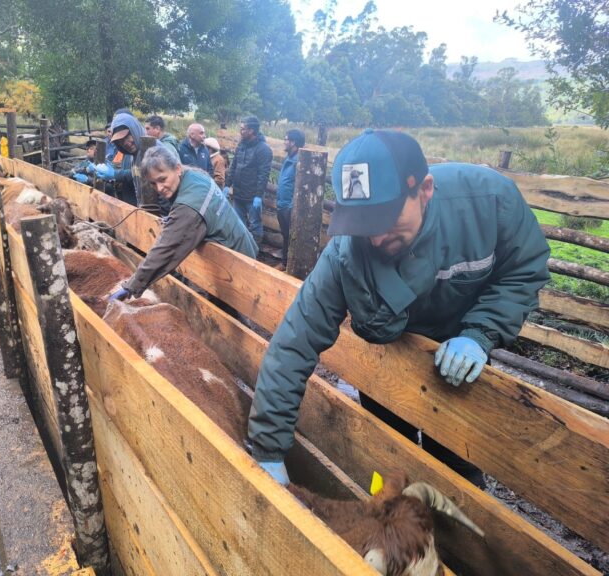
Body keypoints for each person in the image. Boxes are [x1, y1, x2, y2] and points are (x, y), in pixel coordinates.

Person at [247, 129, 551, 487]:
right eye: (364, 224)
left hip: (458, 359)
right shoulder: (346, 254)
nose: (376, 238)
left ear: (424, 190)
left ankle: (461, 535)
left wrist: (481, 331)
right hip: (388, 359)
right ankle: (387, 522)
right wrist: (268, 449)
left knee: (455, 462)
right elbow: (294, 342)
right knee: (386, 452)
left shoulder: (489, 203)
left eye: (386, 219)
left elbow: (524, 269)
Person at [108, 146, 257, 301]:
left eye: (162, 179)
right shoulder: (194, 175)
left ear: (177, 169)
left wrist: (131, 286)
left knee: (231, 310)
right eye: (153, 183)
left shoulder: (188, 207)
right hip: (238, 244)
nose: (159, 188)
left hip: (236, 264)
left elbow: (165, 250)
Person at [225, 115, 273, 246]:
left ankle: (255, 249)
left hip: (252, 196)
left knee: (255, 224)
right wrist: (227, 185)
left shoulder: (263, 149)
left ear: (251, 131)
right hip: (238, 193)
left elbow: (264, 174)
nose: (240, 131)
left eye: (243, 129)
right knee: (238, 222)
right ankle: (241, 246)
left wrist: (258, 195)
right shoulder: (241, 145)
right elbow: (234, 166)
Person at [92, 111, 146, 206]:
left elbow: (144, 173)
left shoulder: (149, 150)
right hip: (133, 203)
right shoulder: (130, 152)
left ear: (134, 128)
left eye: (127, 136)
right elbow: (128, 169)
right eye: (121, 141)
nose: (125, 143)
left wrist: (115, 174)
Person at [275, 129, 305, 270]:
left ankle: (288, 264)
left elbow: (301, 186)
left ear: (293, 142)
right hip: (282, 204)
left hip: (289, 206)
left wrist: (293, 206)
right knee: (286, 235)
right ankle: (286, 262)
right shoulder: (289, 158)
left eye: (286, 139)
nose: (284, 141)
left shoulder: (299, 161)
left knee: (291, 236)